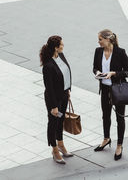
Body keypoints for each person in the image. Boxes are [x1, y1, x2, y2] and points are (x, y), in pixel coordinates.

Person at [92, 29, 128, 160]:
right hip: (105, 89)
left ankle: (119, 145)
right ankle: (106, 138)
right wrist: (97, 73)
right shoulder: (98, 51)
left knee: (120, 118)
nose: (98, 42)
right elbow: (94, 67)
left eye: (100, 39)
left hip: (118, 89)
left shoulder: (120, 52)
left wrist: (113, 73)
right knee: (105, 116)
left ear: (107, 39)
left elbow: (127, 72)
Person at [40, 35, 73, 164]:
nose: (63, 46)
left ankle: (61, 144)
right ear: (55, 47)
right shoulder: (48, 66)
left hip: (64, 95)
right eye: (61, 45)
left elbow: (66, 73)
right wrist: (54, 106)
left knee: (60, 121)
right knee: (53, 123)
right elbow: (49, 88)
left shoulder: (61, 56)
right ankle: (54, 149)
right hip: (54, 99)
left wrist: (68, 90)